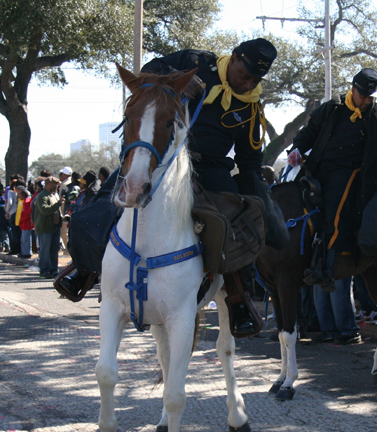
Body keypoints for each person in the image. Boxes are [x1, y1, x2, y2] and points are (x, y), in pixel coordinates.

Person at [59, 38, 278, 337]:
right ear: (235, 58)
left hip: (209, 169)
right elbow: (148, 72)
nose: (248, 83)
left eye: (255, 79)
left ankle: (238, 298)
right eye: (246, 74)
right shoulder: (195, 61)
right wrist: (178, 79)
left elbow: (249, 159)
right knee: (110, 198)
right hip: (164, 155)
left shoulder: (252, 108)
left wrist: (254, 194)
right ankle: (84, 268)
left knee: (232, 227)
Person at [288, 67, 377, 291]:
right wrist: (296, 149)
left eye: (371, 97)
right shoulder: (331, 108)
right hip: (318, 170)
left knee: (336, 209)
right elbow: (308, 133)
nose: (366, 101)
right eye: (363, 95)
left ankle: (327, 269)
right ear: (353, 89)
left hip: (357, 177)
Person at [34, 175, 64, 278]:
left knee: (54, 250)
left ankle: (53, 270)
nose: (56, 186)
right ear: (48, 184)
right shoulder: (42, 196)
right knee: (45, 250)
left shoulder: (53, 195)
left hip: (55, 227)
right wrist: (58, 204)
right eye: (54, 184)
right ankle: (44, 271)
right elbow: (44, 210)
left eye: (57, 184)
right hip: (45, 227)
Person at [5, 176, 22, 255]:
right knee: (19, 232)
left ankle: (14, 249)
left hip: (13, 213)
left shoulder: (10, 192)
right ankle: (19, 248)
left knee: (14, 232)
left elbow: (10, 202)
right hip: (19, 212)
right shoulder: (18, 193)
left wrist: (7, 211)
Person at [17, 186, 34, 258]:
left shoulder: (27, 202)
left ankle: (27, 253)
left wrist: (21, 220)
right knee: (23, 239)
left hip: (26, 223)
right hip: (24, 224)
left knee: (26, 239)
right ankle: (24, 252)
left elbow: (27, 213)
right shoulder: (25, 202)